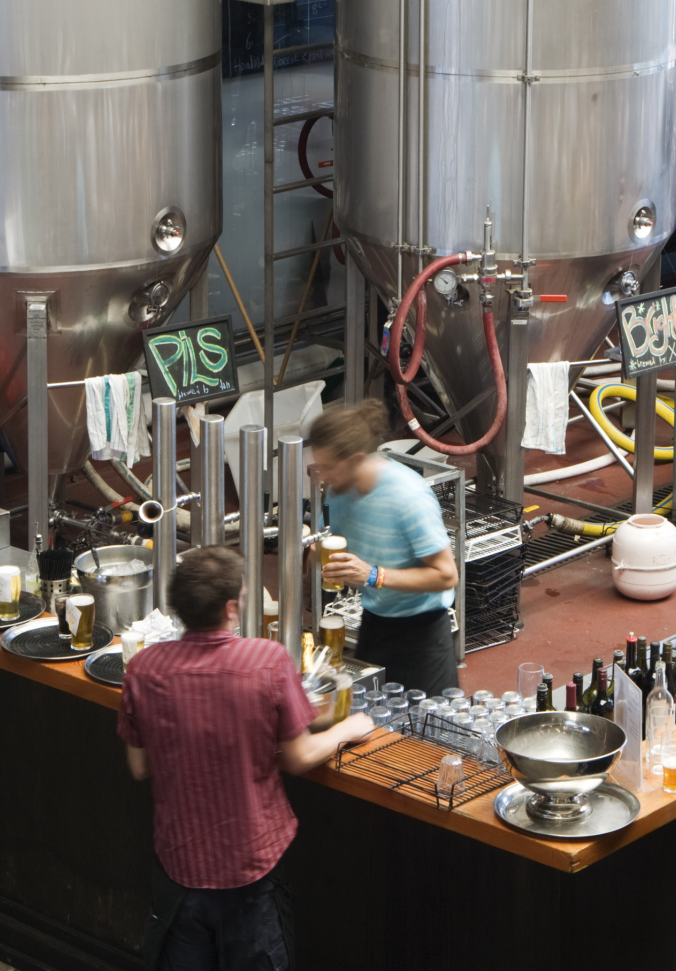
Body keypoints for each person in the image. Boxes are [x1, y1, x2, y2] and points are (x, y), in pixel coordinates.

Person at [119, 546, 373, 971]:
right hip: (251, 867)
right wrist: (348, 728)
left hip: (179, 864)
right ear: (232, 608)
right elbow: (299, 757)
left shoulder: (144, 669)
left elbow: (139, 766)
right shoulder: (266, 661)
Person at [309, 397, 462, 694]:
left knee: (428, 733)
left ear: (354, 460)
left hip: (423, 634)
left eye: (328, 468)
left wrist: (372, 575)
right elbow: (330, 551)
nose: (322, 476)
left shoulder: (407, 497)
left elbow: (446, 575)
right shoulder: (340, 492)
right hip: (375, 622)